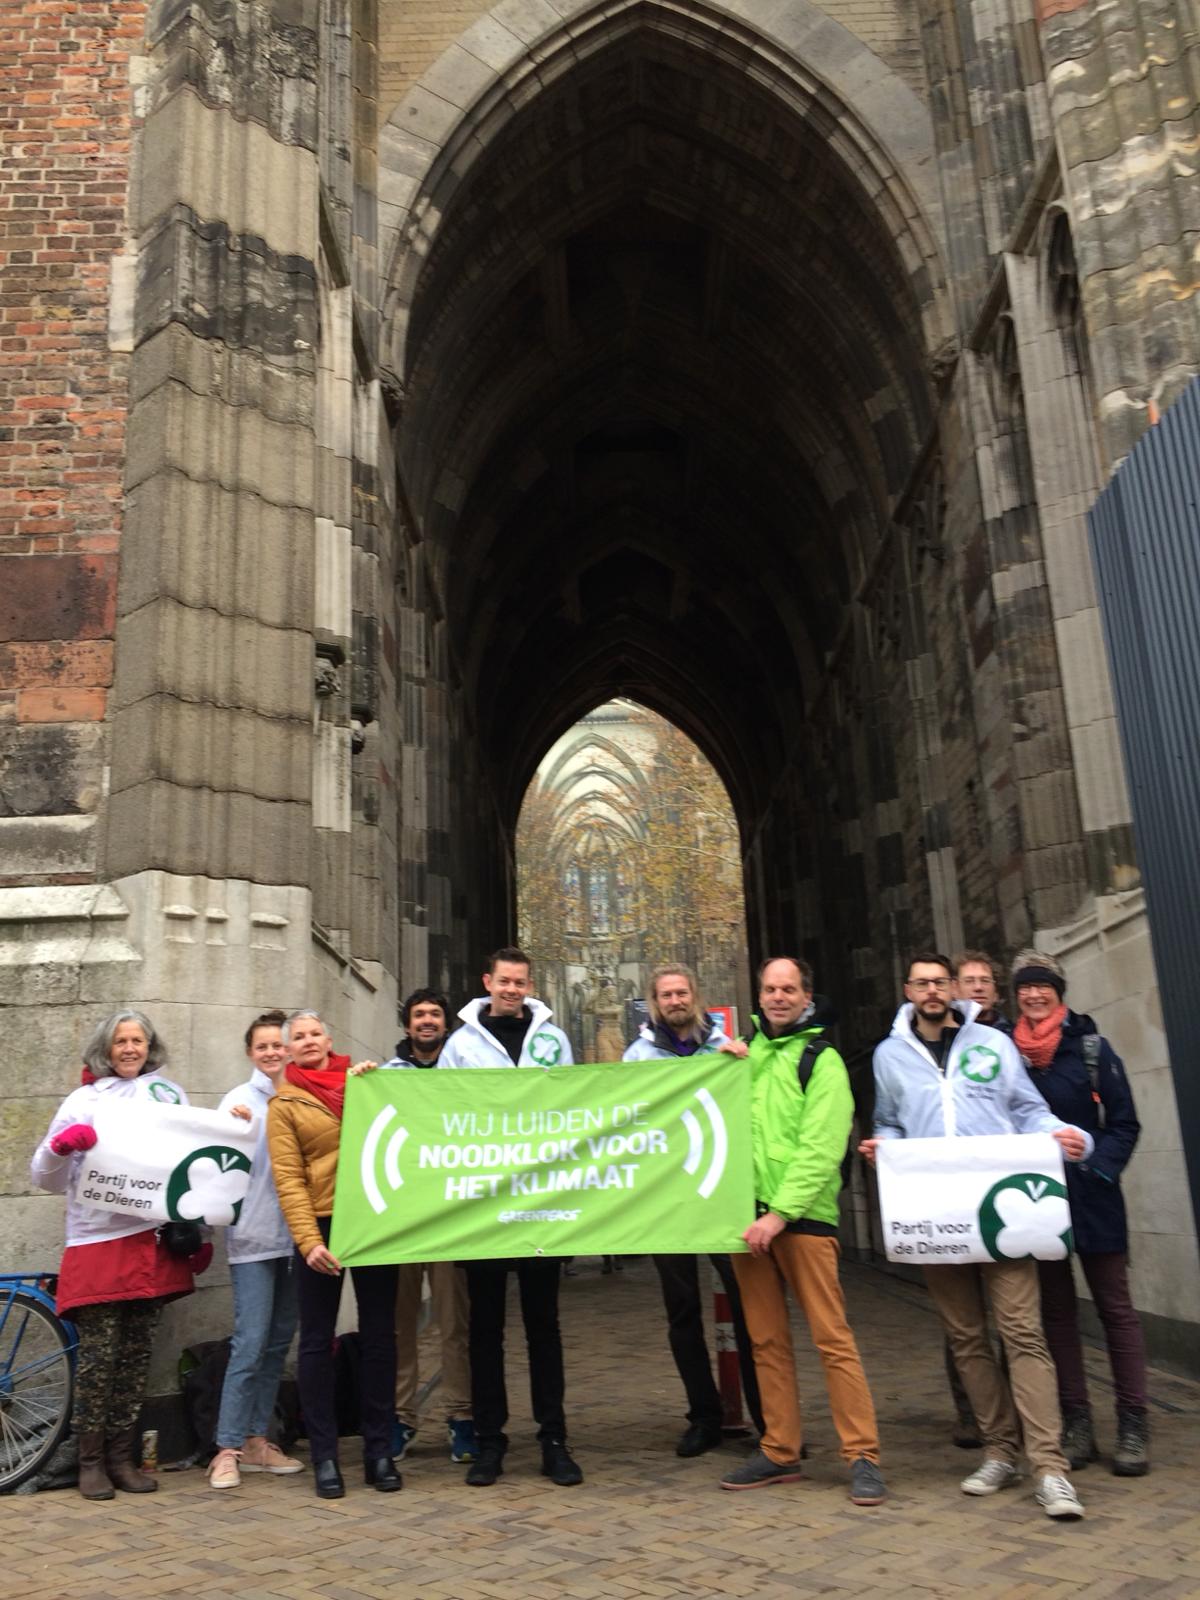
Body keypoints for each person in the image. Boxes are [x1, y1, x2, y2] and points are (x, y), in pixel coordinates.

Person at [864, 952, 1093, 1521]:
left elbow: (1027, 1109)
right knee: (966, 1338)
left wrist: (1066, 1136)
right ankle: (999, 1451)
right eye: (922, 983)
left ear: (954, 991)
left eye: (940, 982)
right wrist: (881, 1148)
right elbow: (890, 1119)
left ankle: (1050, 1466)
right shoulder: (890, 1056)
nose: (932, 991)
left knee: (1022, 1333)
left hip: (1001, 1212)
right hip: (937, 1216)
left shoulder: (992, 1044)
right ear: (908, 990)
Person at [719, 957, 885, 1506]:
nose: (778, 997)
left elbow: (822, 1146)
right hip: (750, 1220)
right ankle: (779, 1448)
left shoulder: (824, 1059)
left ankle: (862, 1454)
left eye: (789, 989)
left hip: (802, 1220)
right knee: (765, 1342)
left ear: (806, 995)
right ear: (758, 995)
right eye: (770, 989)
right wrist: (716, 1069)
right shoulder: (744, 1058)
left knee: (831, 1338)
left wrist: (780, 1213)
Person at [31, 1010, 213, 1500]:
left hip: (151, 1242)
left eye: (138, 1040)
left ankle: (120, 1457)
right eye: (121, 1041)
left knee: (135, 1357)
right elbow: (42, 1177)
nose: (130, 1048)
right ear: (105, 1049)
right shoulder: (83, 1100)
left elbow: (191, 1164)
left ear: (149, 1046)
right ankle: (89, 1460)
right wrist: (61, 1148)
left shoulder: (168, 1095)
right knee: (98, 1359)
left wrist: (198, 1223)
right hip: (97, 1242)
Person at [439, 947, 582, 1488]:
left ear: (529, 985)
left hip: (543, 1205)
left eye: (520, 982)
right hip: (486, 1208)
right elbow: (441, 1114)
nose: (512, 989)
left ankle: (554, 1440)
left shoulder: (554, 1040)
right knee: (486, 1331)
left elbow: (572, 1108)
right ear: (487, 982)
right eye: (504, 981)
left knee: (545, 1328)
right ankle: (490, 1442)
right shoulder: (460, 1045)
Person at [1011, 948, 1148, 1476]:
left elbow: (1125, 1124)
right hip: (1036, 1204)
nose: (1034, 994)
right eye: (1025, 986)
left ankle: (1134, 1421)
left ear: (1059, 990)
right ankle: (1077, 1421)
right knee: (1058, 1316)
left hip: (1094, 1198)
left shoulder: (1093, 1049)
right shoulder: (1009, 1056)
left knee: (1116, 1310)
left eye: (1043, 985)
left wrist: (1096, 1159)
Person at [623, 963, 765, 1455]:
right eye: (666, 995)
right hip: (669, 1202)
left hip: (724, 1196)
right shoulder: (637, 1057)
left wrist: (741, 1066)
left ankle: (769, 1419)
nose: (676, 1001)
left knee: (751, 1311)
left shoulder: (727, 1050)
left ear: (696, 997)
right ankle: (703, 1416)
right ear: (654, 1002)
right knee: (682, 1314)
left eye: (682, 992)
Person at [267, 1010, 400, 1499]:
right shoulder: (284, 1103)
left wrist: (375, 1083)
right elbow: (289, 1178)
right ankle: (324, 1455)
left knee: (381, 1335)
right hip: (321, 1226)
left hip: (373, 1218)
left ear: (328, 1039)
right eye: (296, 1037)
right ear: (288, 1049)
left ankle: (379, 1449)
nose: (306, 1042)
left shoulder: (362, 1083)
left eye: (313, 1033)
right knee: (317, 1341)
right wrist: (309, 1241)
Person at [207, 1010, 304, 1489]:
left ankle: (256, 1440)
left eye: (278, 1045)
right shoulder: (238, 1101)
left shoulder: (299, 1094)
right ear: (251, 1052)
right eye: (262, 1046)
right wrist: (231, 1127)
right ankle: (225, 1448)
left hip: (295, 1240)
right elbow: (213, 1157)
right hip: (252, 1240)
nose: (271, 1052)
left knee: (277, 1344)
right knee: (249, 1343)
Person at [379, 988, 477, 1465]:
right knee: (402, 1326)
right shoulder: (384, 1078)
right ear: (406, 1026)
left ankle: (461, 1417)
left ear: (446, 1024)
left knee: (453, 1324)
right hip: (402, 1218)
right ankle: (402, 1418)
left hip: (450, 1217)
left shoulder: (464, 1076)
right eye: (418, 1015)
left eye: (435, 1015)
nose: (426, 1022)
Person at [943, 950, 1010, 1449]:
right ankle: (974, 1411)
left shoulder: (1008, 1043)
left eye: (986, 981)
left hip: (1008, 1198)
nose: (978, 988)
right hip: (950, 1200)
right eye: (969, 981)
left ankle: (1020, 1414)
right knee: (963, 1323)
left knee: (1019, 1321)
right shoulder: (932, 1045)